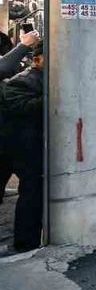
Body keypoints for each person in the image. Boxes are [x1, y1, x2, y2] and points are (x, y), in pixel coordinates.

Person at [0, 30, 41, 250]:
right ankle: (26, 242)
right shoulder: (21, 81)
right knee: (31, 188)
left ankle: (26, 242)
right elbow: (4, 68)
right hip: (11, 142)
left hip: (14, 141)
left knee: (32, 189)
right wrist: (23, 45)